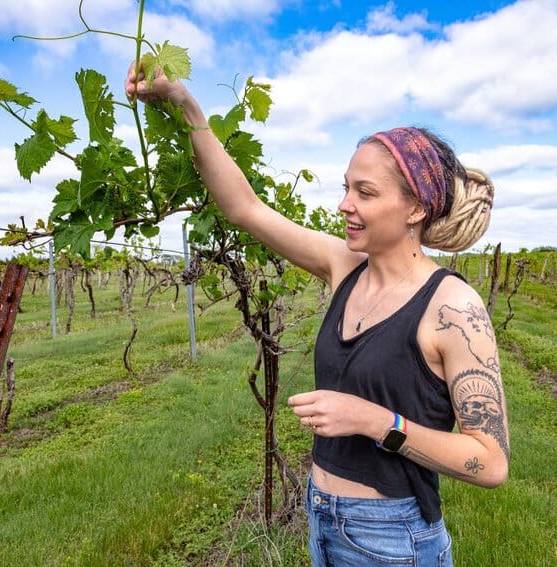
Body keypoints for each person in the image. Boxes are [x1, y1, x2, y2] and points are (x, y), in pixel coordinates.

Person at [126, 63, 509, 566]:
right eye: (346, 187)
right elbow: (245, 208)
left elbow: (490, 461)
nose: (344, 205)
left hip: (392, 538)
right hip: (323, 515)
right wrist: (185, 105)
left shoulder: (452, 307)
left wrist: (375, 421)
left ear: (416, 208)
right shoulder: (343, 266)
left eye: (365, 193)